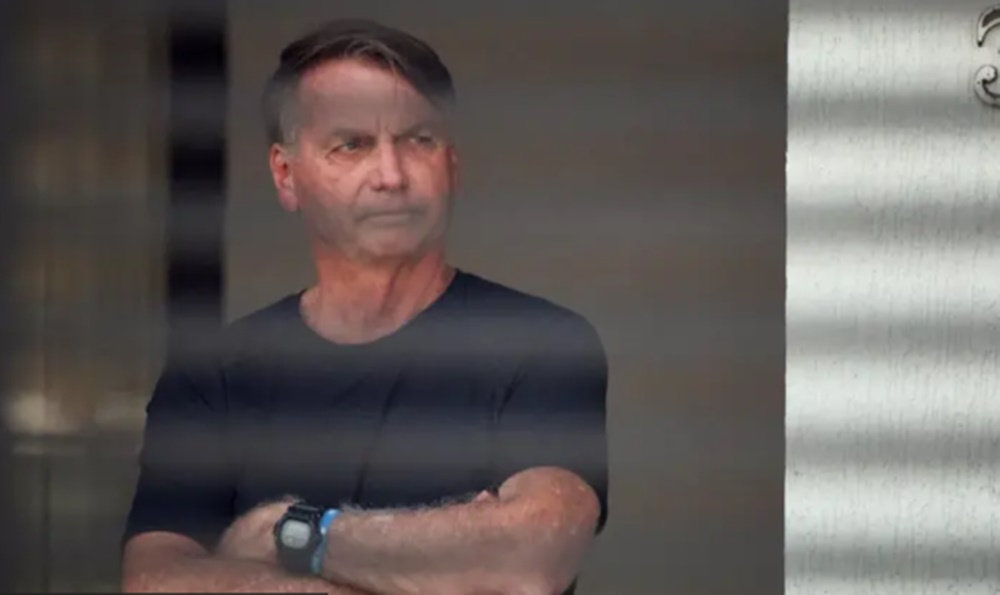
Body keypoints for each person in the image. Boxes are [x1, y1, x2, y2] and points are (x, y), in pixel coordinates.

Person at [120, 18, 609, 595]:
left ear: (451, 164)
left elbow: (530, 556)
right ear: (286, 175)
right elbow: (156, 582)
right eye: (351, 144)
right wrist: (444, 559)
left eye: (418, 140)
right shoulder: (212, 376)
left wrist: (290, 534)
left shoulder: (539, 344)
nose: (391, 175)